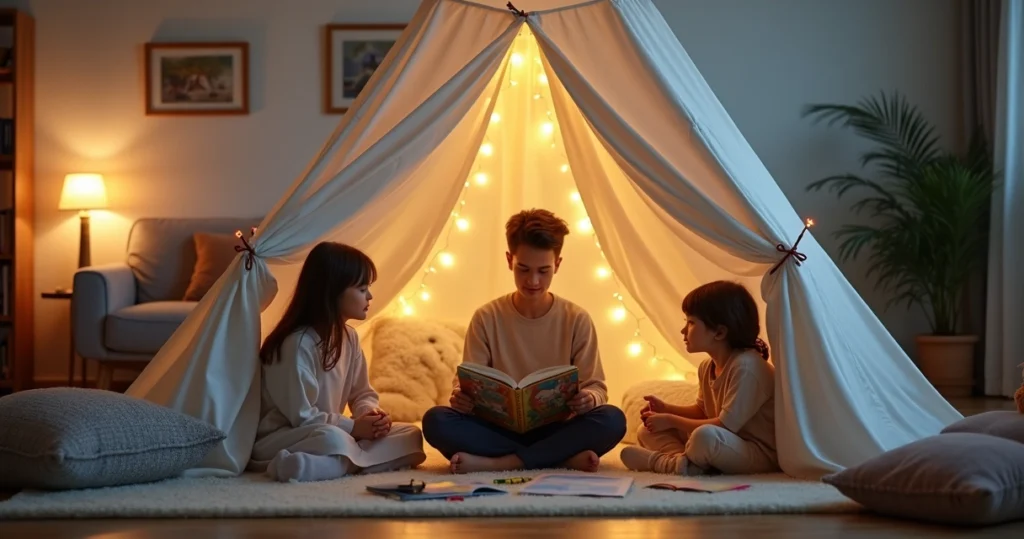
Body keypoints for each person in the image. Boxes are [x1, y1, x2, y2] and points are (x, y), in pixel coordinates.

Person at [422, 209, 627, 474]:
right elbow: (468, 381)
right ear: (510, 260)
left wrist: (589, 398)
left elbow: (596, 386)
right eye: (523, 269)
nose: (533, 280)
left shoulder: (576, 318)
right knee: (436, 421)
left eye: (544, 270)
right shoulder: (486, 317)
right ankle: (560, 458)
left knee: (612, 419)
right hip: (497, 429)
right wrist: (461, 397)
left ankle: (503, 463)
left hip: (558, 429)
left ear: (558, 264)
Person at [248, 241, 426, 482]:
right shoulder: (297, 344)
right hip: (287, 436)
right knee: (333, 438)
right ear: (333, 292)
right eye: (362, 289)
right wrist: (353, 428)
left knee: (411, 435)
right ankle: (342, 461)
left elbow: (362, 393)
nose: (370, 296)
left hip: (332, 432)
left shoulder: (350, 337)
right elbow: (302, 416)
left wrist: (371, 417)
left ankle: (325, 465)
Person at [620, 280, 779, 476]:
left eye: (691, 322)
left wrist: (670, 420)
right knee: (646, 430)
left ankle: (668, 464)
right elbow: (702, 411)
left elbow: (725, 426)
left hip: (755, 452)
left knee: (704, 436)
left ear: (719, 332)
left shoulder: (747, 367)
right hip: (723, 441)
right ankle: (682, 462)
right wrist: (666, 409)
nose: (683, 330)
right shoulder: (706, 366)